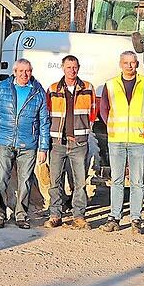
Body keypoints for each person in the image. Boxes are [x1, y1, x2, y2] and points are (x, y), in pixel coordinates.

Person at [0, 59, 50, 229]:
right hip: (4, 142)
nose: (24, 74)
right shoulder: (3, 88)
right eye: (20, 71)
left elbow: (44, 121)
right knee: (0, 180)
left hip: (28, 144)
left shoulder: (38, 92)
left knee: (25, 182)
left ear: (31, 71)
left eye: (27, 71)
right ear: (14, 72)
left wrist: (43, 147)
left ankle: (21, 216)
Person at [99, 51, 144, 235]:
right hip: (116, 139)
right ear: (120, 64)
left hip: (138, 139)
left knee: (137, 181)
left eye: (132, 63)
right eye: (126, 63)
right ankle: (114, 217)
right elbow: (103, 109)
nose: (129, 66)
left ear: (137, 64)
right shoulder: (111, 84)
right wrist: (112, 125)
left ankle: (136, 218)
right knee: (116, 180)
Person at [43, 55, 97, 230]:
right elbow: (46, 114)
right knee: (55, 181)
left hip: (79, 143)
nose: (72, 70)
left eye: (74, 67)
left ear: (79, 68)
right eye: (68, 67)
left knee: (80, 182)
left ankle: (79, 216)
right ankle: (55, 215)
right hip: (58, 143)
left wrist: (83, 131)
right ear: (63, 68)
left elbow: (93, 113)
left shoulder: (88, 88)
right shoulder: (52, 90)